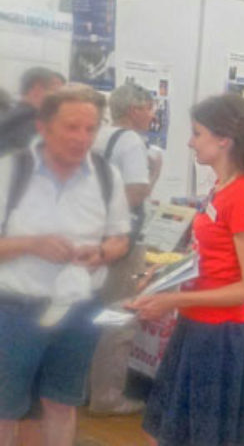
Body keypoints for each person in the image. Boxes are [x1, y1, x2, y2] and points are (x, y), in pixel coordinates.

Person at [129, 94, 244, 446]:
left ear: (223, 139)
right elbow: (210, 257)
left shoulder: (243, 196)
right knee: (167, 432)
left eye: (197, 133)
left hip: (219, 334)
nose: (189, 142)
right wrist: (166, 280)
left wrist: (170, 301)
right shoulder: (222, 188)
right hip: (199, 324)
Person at [0, 84, 130, 446]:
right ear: (43, 127)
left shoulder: (107, 176)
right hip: (13, 311)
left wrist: (103, 253)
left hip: (78, 309)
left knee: (62, 401)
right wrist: (31, 244)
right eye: (71, 127)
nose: (82, 138)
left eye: (90, 129)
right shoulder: (10, 172)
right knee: (4, 409)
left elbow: (120, 237)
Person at [89, 82, 161, 414]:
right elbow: (135, 192)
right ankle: (107, 395)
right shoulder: (131, 142)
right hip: (121, 243)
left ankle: (87, 387)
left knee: (92, 313)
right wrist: (153, 173)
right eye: (149, 107)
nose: (152, 114)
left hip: (92, 238)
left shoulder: (100, 135)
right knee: (119, 315)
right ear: (135, 109)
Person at [0, 67, 65, 155]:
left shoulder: (9, 116)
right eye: (54, 90)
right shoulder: (34, 127)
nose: (58, 98)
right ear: (37, 89)